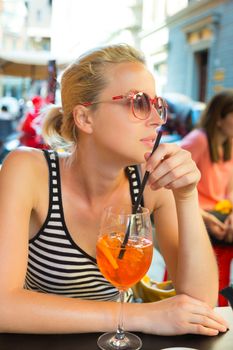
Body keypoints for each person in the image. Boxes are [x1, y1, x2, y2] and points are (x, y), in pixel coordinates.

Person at [0, 44, 228, 335]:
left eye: (157, 105)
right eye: (139, 103)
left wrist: (186, 195)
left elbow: (201, 303)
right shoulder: (29, 170)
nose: (157, 120)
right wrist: (137, 316)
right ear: (85, 118)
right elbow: (4, 306)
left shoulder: (152, 180)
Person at [180, 90, 233, 244]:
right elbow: (171, 185)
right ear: (219, 119)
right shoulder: (199, 139)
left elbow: (230, 190)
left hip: (221, 210)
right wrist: (202, 216)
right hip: (200, 213)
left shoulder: (230, 143)